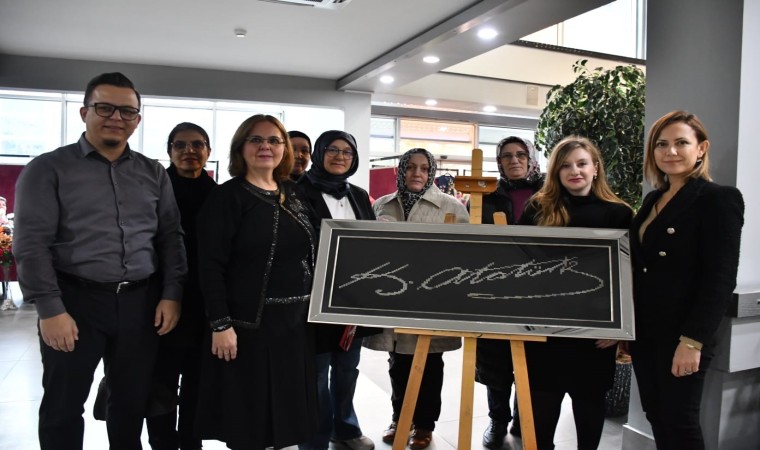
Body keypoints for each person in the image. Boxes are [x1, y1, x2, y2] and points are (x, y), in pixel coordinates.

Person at [13, 72, 187, 450]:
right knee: (63, 405)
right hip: (74, 302)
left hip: (140, 304)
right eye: (105, 108)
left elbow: (170, 237)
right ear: (84, 112)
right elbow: (31, 244)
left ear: (137, 119)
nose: (116, 118)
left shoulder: (152, 172)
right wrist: (50, 310)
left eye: (127, 111)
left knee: (130, 403)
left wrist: (172, 294)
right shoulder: (48, 169)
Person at [195, 114, 318, 449]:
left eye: (274, 140)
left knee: (288, 418)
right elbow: (210, 266)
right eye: (256, 139)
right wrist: (220, 324)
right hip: (247, 328)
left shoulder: (293, 193)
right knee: (251, 423)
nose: (266, 146)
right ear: (241, 147)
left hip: (295, 326)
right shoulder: (227, 197)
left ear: (284, 149)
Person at [629, 111, 744, 450]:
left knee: (680, 421)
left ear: (701, 148)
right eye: (661, 144)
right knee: (656, 414)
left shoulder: (718, 198)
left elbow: (720, 278)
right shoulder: (653, 199)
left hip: (683, 332)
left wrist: (692, 341)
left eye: (681, 142)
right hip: (646, 329)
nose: (671, 151)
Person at [518, 136, 633, 450]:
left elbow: (627, 275)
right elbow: (517, 264)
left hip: (593, 330)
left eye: (582, 163)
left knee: (589, 404)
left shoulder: (619, 213)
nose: (575, 171)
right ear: (556, 172)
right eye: (566, 166)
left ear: (595, 168)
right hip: (544, 328)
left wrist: (618, 326)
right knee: (541, 407)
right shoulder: (537, 209)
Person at [364, 148, 469, 450]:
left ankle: (424, 424)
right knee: (398, 362)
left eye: (424, 168)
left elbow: (464, 255)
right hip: (393, 297)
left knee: (430, 363)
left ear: (432, 172)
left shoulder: (452, 207)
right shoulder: (383, 205)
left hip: (431, 300)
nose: (417, 173)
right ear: (401, 170)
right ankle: (400, 418)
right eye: (410, 167)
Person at [297, 130, 377, 450]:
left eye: (347, 152)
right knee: (316, 374)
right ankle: (315, 438)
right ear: (319, 153)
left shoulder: (358, 195)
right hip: (313, 299)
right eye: (332, 149)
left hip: (352, 299)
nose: (340, 156)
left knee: (347, 369)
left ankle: (345, 428)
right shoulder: (298, 190)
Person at [146, 122, 217, 450]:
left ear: (208, 151)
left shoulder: (220, 195)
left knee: (198, 381)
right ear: (169, 151)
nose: (189, 151)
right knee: (161, 379)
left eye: (197, 144)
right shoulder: (154, 192)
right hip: (161, 300)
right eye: (180, 145)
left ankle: (191, 442)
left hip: (204, 304)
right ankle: (161, 443)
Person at [476, 136, 544, 448]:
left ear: (531, 158)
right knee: (496, 362)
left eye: (520, 154)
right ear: (499, 162)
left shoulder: (550, 194)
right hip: (496, 292)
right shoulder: (486, 196)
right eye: (506, 156)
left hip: (538, 293)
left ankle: (522, 417)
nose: (514, 160)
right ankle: (497, 420)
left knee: (531, 360)